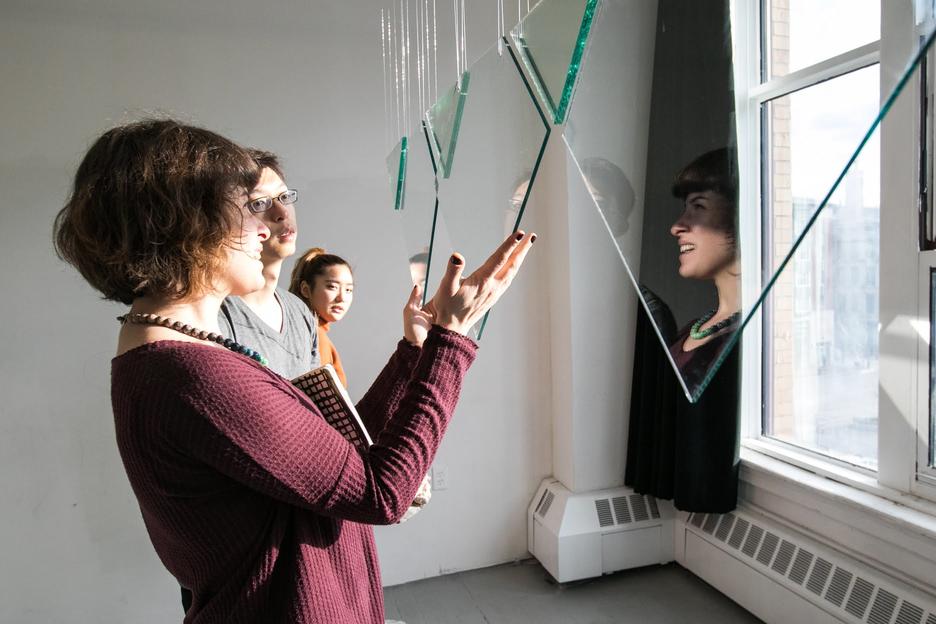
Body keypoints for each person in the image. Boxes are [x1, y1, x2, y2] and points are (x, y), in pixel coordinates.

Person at [53, 118, 535, 623]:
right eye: (246, 210)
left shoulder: (184, 356)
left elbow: (336, 454)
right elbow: (381, 493)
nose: (266, 228)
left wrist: (418, 350)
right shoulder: (192, 376)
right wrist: (451, 343)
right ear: (186, 225)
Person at [217, 150, 320, 380]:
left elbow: (317, 413)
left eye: (284, 197)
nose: (281, 213)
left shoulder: (300, 312)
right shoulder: (216, 312)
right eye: (260, 203)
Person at [667, 147, 740, 390]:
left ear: (740, 216)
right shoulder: (690, 331)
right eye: (685, 208)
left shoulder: (754, 338)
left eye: (698, 207)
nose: (676, 227)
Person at [288, 248, 354, 387]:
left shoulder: (301, 329)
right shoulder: (316, 337)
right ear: (305, 289)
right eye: (332, 287)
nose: (342, 297)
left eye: (348, 290)